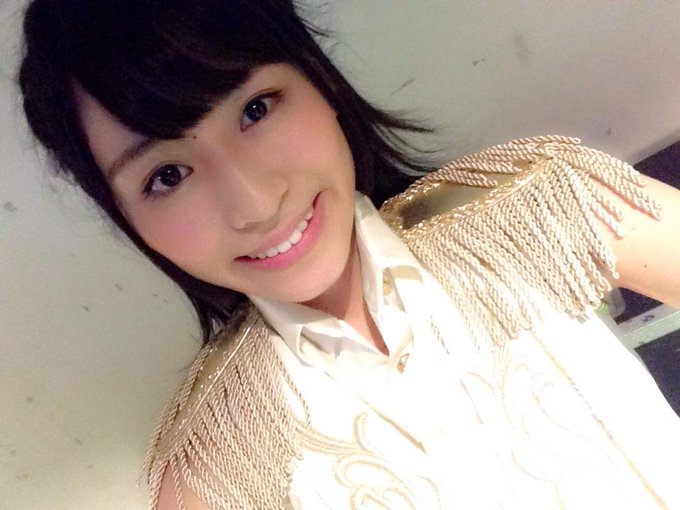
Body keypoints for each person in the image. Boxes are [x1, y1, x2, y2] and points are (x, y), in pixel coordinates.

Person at [19, 1, 680, 509]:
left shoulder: (532, 209)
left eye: (256, 109)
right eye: (167, 176)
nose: (255, 204)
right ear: (130, 221)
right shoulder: (217, 469)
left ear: (319, 82)